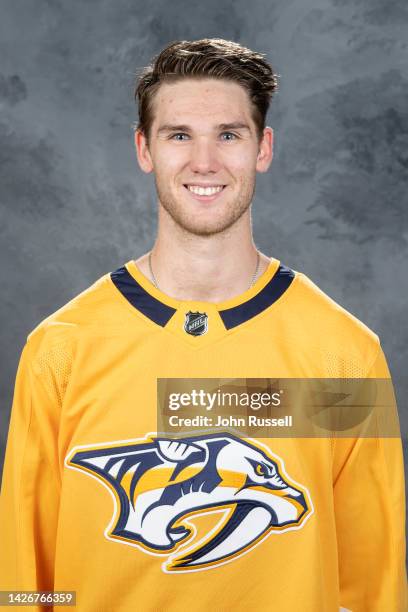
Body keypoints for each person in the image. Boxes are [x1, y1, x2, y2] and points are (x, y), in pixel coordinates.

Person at [0, 38, 406, 612]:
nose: (205, 162)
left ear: (263, 148)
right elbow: (22, 584)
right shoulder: (60, 351)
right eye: (179, 135)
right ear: (144, 149)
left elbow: (374, 585)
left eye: (229, 134)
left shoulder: (344, 356)